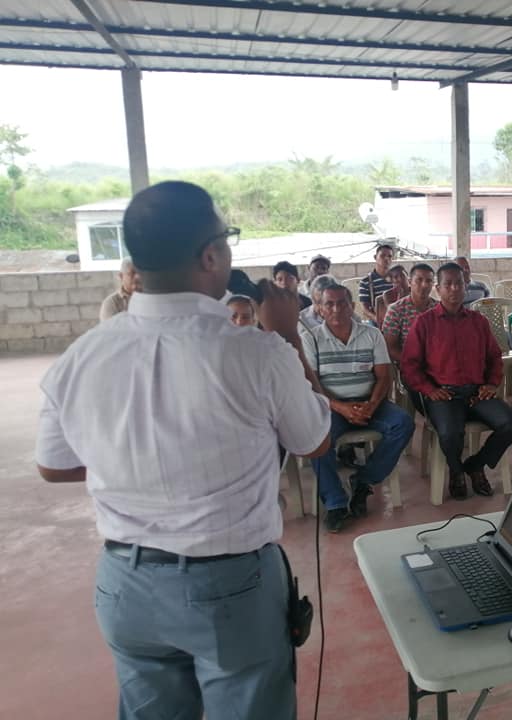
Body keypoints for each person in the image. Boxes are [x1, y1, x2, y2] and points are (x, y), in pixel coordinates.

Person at [35, 181, 331, 719]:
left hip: (125, 584)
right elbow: (314, 441)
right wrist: (288, 334)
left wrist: (133, 462)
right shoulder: (257, 353)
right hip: (229, 587)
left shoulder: (82, 355)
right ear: (211, 256)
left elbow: (53, 466)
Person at [401, 262, 512, 500]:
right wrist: (429, 390)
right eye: (448, 284)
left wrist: (491, 383)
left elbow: (494, 357)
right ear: (438, 289)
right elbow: (409, 365)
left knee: (511, 423)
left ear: (466, 286)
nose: (454, 288)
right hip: (444, 394)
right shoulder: (424, 323)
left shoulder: (478, 321)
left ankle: (476, 465)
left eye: (459, 283)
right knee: (449, 433)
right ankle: (456, 471)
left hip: (477, 393)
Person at [300, 284, 414, 531]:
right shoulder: (311, 339)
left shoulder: (372, 335)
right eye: (329, 304)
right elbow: (312, 385)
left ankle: (364, 480)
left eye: (342, 303)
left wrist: (371, 405)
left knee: (403, 423)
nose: (336, 309)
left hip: (370, 401)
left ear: (351, 306)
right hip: (332, 407)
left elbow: (384, 376)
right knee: (316, 437)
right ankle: (335, 503)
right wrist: (342, 408)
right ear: (320, 309)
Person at [382, 263, 436, 364]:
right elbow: (391, 348)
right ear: (410, 282)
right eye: (419, 280)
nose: (424, 285)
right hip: (409, 365)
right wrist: (414, 364)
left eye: (428, 281)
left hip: (438, 365)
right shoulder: (395, 310)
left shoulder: (438, 308)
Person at [358, 243, 395, 323]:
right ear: (375, 257)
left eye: (389, 256)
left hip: (397, 319)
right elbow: (365, 308)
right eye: (382, 256)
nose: (386, 259)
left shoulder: (397, 279)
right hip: (376, 321)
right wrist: (377, 319)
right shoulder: (366, 282)